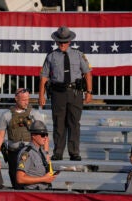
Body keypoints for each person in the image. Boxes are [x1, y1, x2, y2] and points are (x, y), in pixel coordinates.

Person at [39, 26, 93, 161]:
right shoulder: (51, 56)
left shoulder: (78, 54)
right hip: (58, 93)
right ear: (56, 42)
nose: (62, 44)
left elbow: (87, 73)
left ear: (70, 42)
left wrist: (89, 92)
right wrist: (41, 95)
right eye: (60, 42)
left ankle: (74, 152)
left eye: (65, 42)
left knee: (74, 123)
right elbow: (44, 76)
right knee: (59, 123)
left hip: (75, 92)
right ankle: (58, 152)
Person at [0, 88, 49, 189]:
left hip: (31, 154)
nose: (26, 102)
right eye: (23, 100)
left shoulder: (35, 114)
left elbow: (44, 135)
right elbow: (0, 136)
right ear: (16, 98)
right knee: (16, 182)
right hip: (13, 153)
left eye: (28, 99)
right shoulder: (7, 115)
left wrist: (46, 153)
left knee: (30, 183)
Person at [16, 120, 56, 190]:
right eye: (43, 135)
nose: (45, 138)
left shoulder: (42, 152)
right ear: (34, 136)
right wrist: (43, 179)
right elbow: (20, 178)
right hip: (33, 192)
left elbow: (49, 170)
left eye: (46, 135)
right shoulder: (27, 153)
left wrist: (46, 151)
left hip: (45, 191)